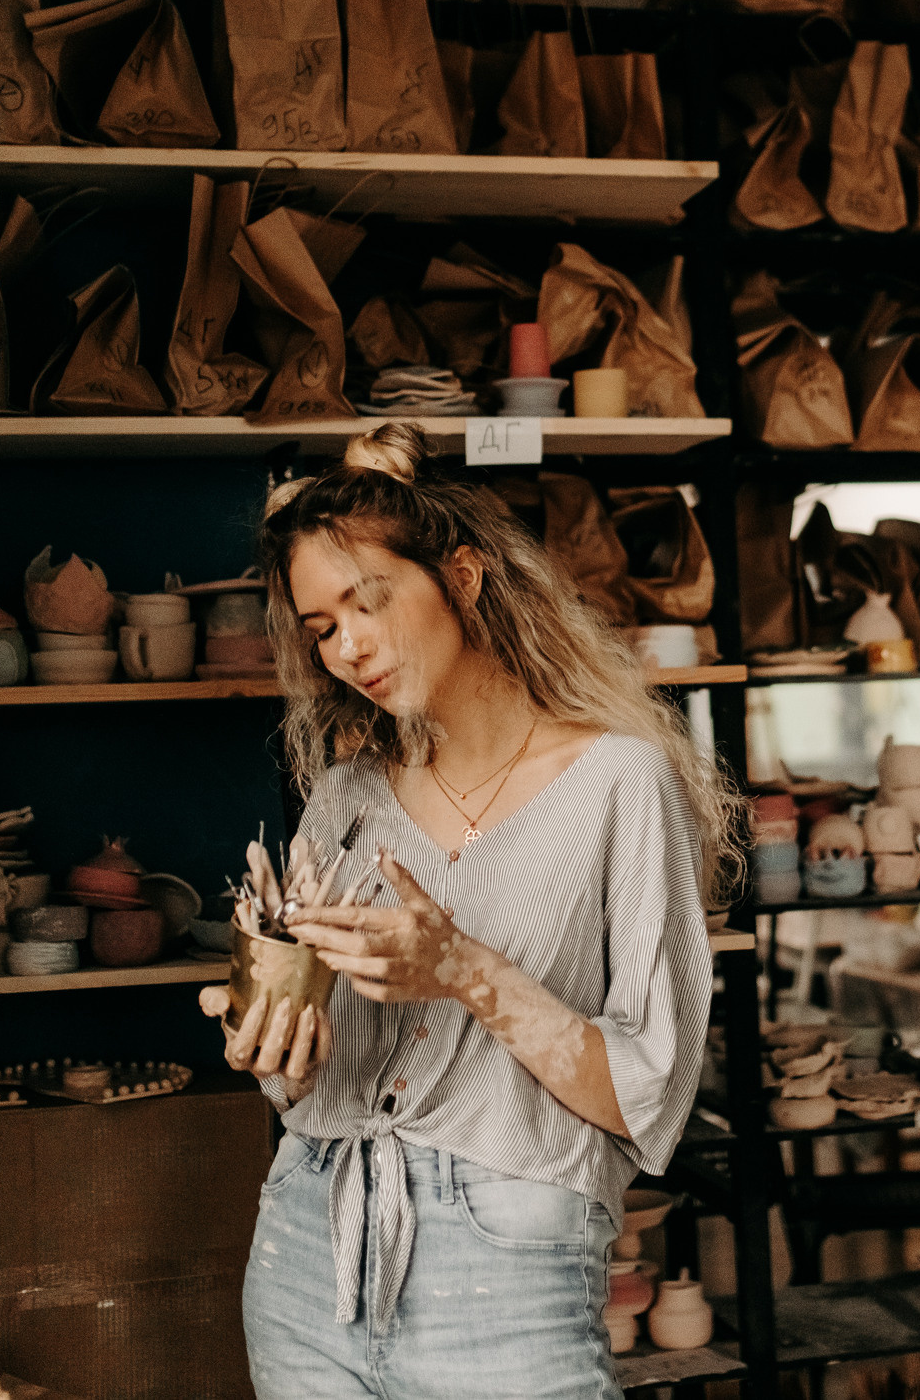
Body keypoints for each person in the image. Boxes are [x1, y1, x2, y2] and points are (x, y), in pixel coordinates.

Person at [199, 424, 728, 1400]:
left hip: (508, 1260)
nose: (347, 646)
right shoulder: (346, 799)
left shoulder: (617, 782)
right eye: (320, 628)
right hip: (307, 1245)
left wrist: (466, 971)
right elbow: (307, 1080)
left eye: (368, 601)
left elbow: (646, 1097)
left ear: (465, 575)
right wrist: (277, 1045)